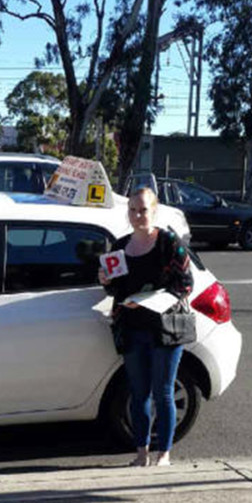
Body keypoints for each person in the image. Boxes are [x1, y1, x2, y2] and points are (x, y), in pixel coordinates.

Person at [99, 187, 193, 467]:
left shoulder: (167, 242)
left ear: (154, 210)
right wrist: (105, 281)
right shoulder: (119, 246)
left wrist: (151, 300)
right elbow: (115, 290)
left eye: (143, 210)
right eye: (133, 210)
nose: (138, 215)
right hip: (131, 328)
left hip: (164, 329)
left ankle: (164, 454)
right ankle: (141, 453)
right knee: (138, 393)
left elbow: (185, 284)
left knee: (163, 392)